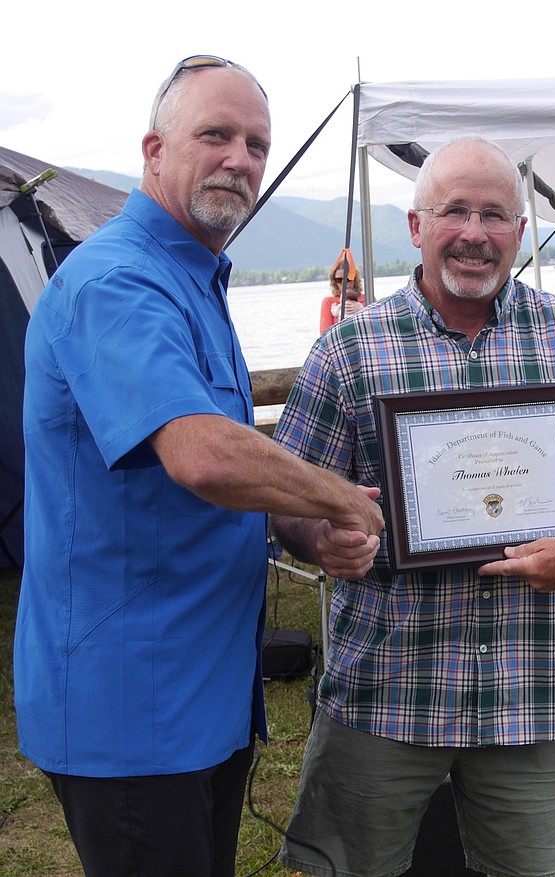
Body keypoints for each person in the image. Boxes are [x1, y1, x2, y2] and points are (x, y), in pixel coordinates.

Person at [270, 135, 555, 877]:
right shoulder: (349, 351)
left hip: (525, 699)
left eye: (495, 215)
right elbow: (289, 496)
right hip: (385, 693)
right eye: (455, 211)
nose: (474, 232)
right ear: (416, 228)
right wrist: (319, 536)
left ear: (520, 235)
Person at [14, 56, 385, 877]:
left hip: (201, 696)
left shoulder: (192, 278)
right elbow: (205, 454)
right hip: (131, 713)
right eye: (214, 134)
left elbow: (224, 485)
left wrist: (308, 528)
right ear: (154, 150)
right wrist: (344, 498)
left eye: (256, 143)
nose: (240, 159)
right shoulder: (117, 282)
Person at [318, 250, 366, 333]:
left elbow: (377, 325)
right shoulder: (329, 302)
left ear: (354, 279)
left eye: (347, 279)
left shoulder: (368, 298)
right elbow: (324, 333)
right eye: (339, 280)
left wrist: (362, 310)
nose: (344, 283)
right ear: (334, 282)